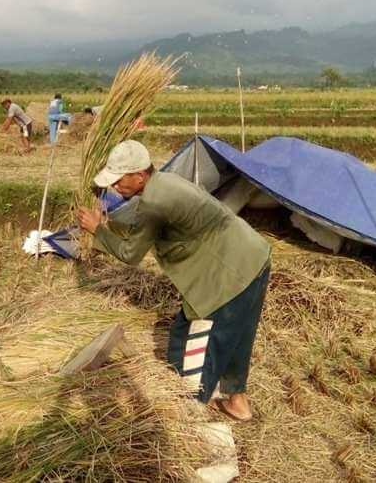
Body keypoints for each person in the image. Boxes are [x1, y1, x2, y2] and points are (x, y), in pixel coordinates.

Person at [76, 140, 271, 421]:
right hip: (253, 258)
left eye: (119, 181)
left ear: (140, 176)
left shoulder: (155, 202)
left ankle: (190, 412)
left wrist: (97, 230)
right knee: (236, 336)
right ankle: (237, 402)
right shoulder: (165, 182)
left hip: (227, 274)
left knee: (188, 345)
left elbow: (130, 254)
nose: (115, 187)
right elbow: (148, 229)